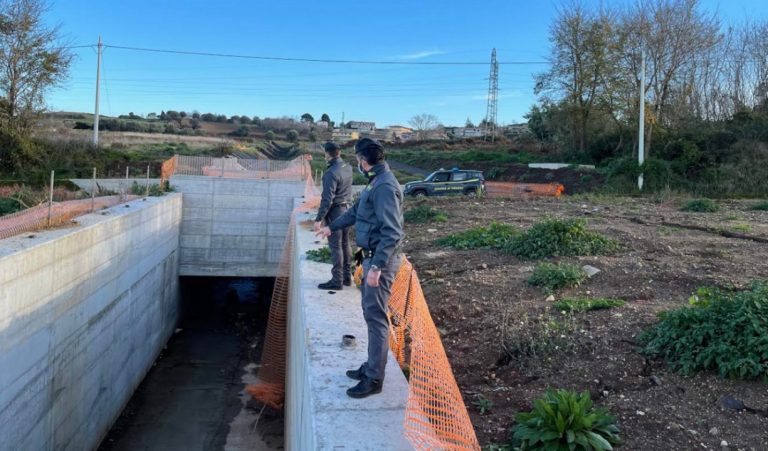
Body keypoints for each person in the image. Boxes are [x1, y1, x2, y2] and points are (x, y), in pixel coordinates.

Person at [316, 138, 405, 398]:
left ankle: (374, 378)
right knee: (370, 315)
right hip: (370, 258)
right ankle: (371, 365)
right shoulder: (375, 183)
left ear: (364, 161)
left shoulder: (385, 186)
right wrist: (331, 226)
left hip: (380, 261)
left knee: (376, 319)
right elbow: (356, 212)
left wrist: (377, 265)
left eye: (358, 160)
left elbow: (392, 232)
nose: (357, 164)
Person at [313, 142, 353, 290]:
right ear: (339, 152)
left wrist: (319, 219)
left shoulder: (331, 172)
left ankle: (337, 281)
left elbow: (327, 199)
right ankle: (347, 278)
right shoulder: (347, 167)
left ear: (327, 154)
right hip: (347, 210)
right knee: (345, 243)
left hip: (336, 211)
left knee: (336, 246)